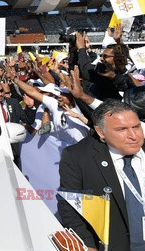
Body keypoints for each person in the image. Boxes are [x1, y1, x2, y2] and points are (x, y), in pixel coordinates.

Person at [58, 100, 145, 251]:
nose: (133, 135)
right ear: (100, 132)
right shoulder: (78, 157)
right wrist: (87, 244)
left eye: (136, 127)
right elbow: (69, 204)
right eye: (122, 129)